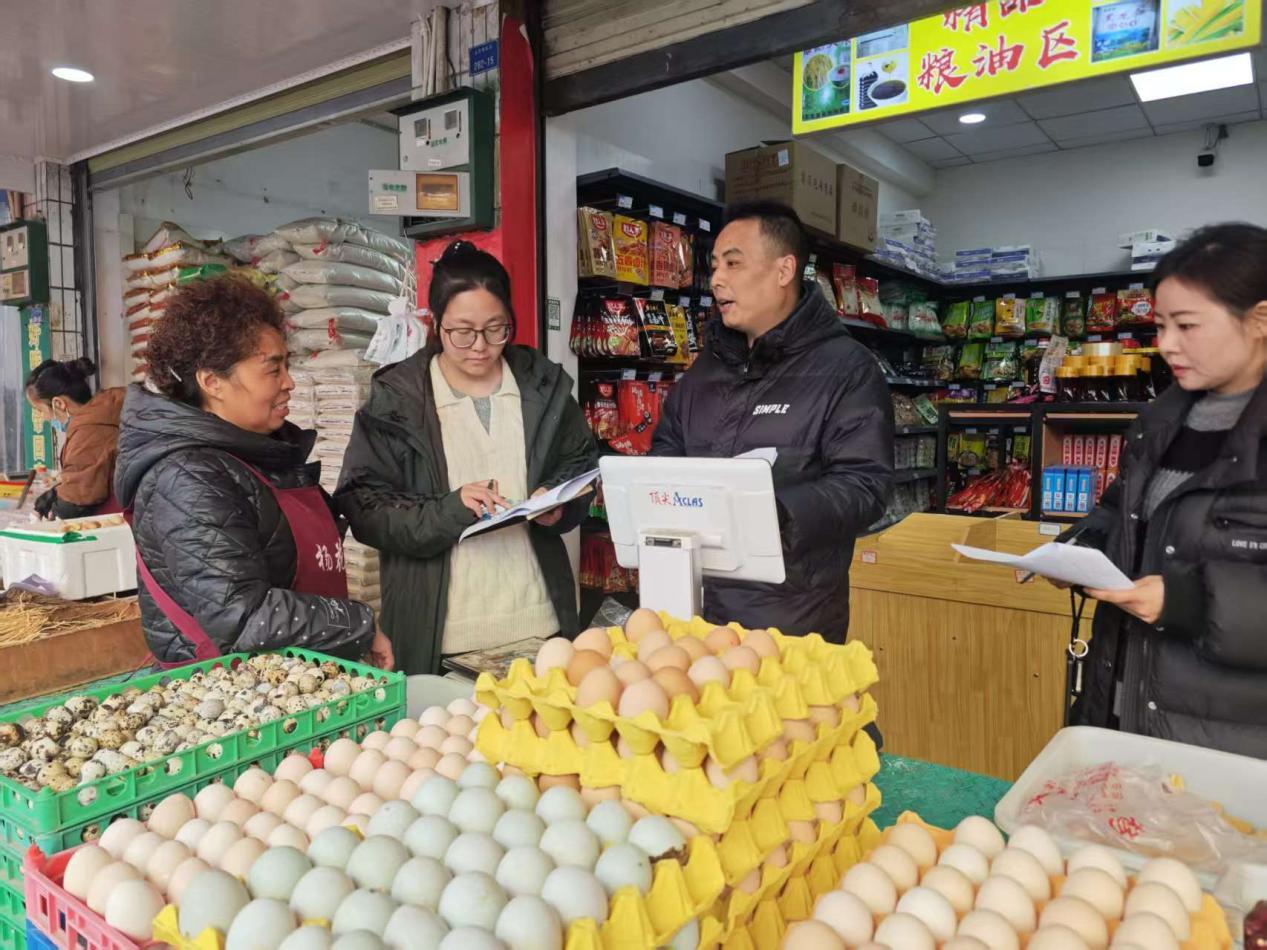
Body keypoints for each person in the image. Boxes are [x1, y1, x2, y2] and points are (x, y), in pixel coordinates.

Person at [338, 241, 599, 675]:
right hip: (442, 634)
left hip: (540, 623)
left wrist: (558, 502)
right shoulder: (399, 400)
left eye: (496, 329)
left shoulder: (542, 386)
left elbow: (580, 463)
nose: (480, 346)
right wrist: (450, 509)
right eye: (462, 332)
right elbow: (365, 508)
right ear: (436, 324)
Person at [113, 275, 392, 670]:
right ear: (212, 382)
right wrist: (358, 624)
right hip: (233, 695)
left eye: (287, 366)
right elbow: (242, 617)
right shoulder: (185, 477)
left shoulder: (261, 454)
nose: (290, 382)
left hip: (294, 679)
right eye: (273, 370)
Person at [1062, 223, 1267, 757]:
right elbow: (1121, 511)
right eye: (1160, 325)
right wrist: (1080, 549)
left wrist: (1189, 601)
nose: (1166, 344)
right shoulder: (1159, 420)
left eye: (1187, 325)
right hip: (1124, 708)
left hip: (1230, 746)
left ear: (1260, 320)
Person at [651, 200, 894, 642]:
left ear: (784, 270)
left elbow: (864, 485)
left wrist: (775, 514)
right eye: (714, 265)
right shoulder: (704, 371)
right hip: (693, 617)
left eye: (733, 263)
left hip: (792, 626)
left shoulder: (847, 369)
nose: (717, 279)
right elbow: (667, 452)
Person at [25, 357, 126, 518]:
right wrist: (57, 492)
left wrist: (57, 509)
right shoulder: (106, 411)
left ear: (59, 404)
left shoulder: (89, 432)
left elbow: (76, 504)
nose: (44, 418)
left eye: (40, 411)